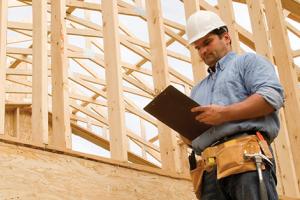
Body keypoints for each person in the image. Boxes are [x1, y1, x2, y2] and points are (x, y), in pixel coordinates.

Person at [185, 10, 284, 200]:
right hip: (210, 171)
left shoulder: (247, 62)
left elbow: (271, 97)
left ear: (226, 37)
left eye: (207, 42)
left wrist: (224, 114)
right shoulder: (198, 90)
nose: (203, 51)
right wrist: (186, 132)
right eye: (198, 47)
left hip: (245, 158)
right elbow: (196, 140)